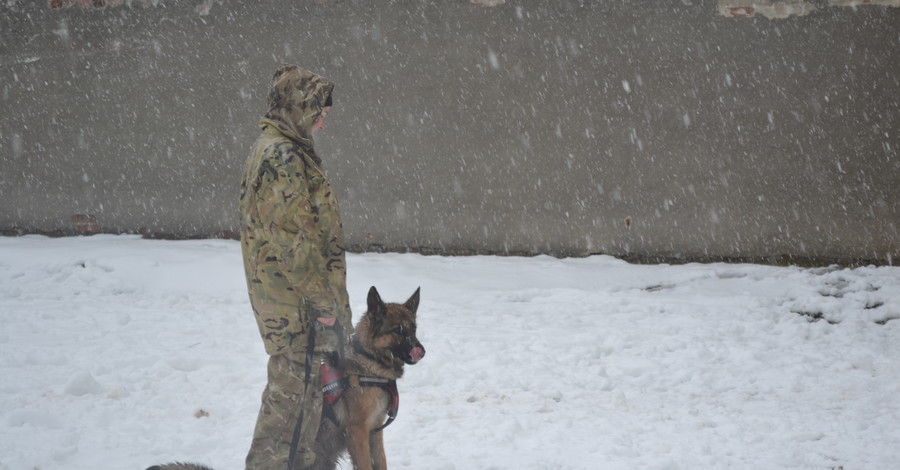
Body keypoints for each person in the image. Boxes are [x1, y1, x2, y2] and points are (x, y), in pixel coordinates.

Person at [239, 65, 352, 470]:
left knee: (300, 405)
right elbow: (295, 244)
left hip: (293, 305)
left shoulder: (283, 148)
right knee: (290, 410)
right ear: (298, 108)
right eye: (319, 108)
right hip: (296, 309)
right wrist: (324, 304)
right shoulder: (281, 156)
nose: (325, 117)